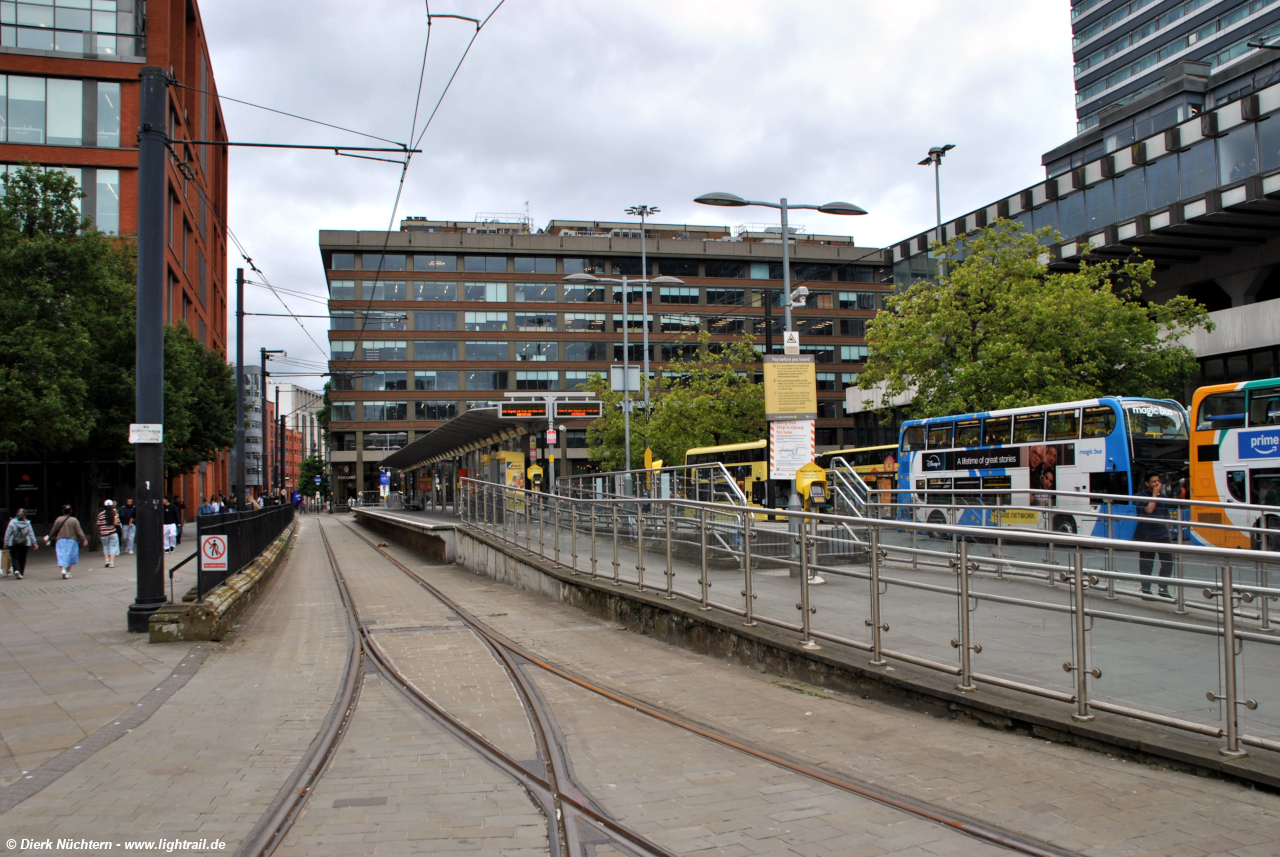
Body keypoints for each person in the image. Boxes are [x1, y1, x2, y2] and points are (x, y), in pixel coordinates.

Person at [1135, 472, 1174, 598]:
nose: (1157, 484)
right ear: (1147, 484)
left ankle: (1163, 588)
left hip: (1162, 534)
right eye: (1153, 482)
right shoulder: (1141, 496)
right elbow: (1149, 510)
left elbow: (1166, 516)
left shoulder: (1163, 496)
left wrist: (1169, 532)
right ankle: (1146, 589)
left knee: (1168, 562)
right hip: (1146, 534)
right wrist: (1155, 495)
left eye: (1158, 481)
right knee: (1147, 563)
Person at [45, 505, 87, 579]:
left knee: (61, 555)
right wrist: (83, 539)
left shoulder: (58, 519)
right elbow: (79, 530)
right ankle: (68, 572)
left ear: (62, 511)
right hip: (72, 540)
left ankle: (62, 570)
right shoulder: (74, 520)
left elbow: (53, 530)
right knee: (71, 556)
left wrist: (49, 538)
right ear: (71, 511)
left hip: (60, 540)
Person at [4, 509, 37, 579]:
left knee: (15, 557)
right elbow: (31, 533)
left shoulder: (12, 522)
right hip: (25, 543)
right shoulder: (27, 523)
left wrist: (6, 542)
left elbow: (8, 533)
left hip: (13, 543)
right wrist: (34, 543)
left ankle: (16, 570)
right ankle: (21, 572)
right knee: (23, 558)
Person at [96, 500, 121, 568]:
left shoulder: (101, 514)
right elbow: (117, 523)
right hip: (112, 532)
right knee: (113, 547)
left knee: (105, 546)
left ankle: (107, 561)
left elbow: (98, 524)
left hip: (103, 533)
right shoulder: (114, 513)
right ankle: (112, 562)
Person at [0, 505, 10, 577]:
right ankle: (8, 569)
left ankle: (2, 569)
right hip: (8, 540)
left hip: (0, 539)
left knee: (1, 554)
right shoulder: (10, 522)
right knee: (8, 554)